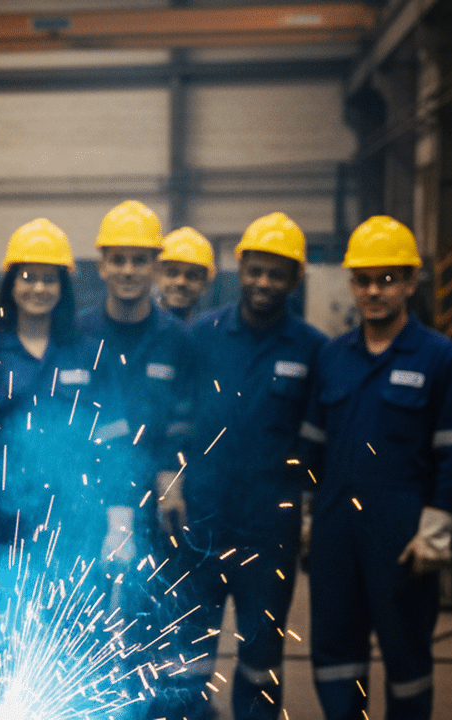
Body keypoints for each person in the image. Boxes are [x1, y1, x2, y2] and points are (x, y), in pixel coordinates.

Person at [300, 216, 452, 720]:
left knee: (407, 659)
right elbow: (311, 447)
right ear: (351, 284)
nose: (374, 291)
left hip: (402, 536)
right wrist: (309, 514)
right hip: (335, 532)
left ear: (410, 282)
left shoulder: (441, 359)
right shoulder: (332, 357)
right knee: (335, 656)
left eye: (387, 279)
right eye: (363, 280)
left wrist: (438, 527)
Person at [171, 211, 327, 720]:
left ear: (294, 279)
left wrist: (309, 507)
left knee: (261, 657)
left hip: (270, 532)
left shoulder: (312, 349)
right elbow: (178, 417)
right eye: (255, 270)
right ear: (240, 270)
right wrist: (171, 480)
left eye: (276, 274)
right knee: (189, 656)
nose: (263, 282)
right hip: (202, 523)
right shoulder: (202, 335)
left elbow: (317, 437)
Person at [0, 219, 102, 577]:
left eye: (49, 279)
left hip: (73, 521)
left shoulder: (88, 354)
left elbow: (107, 443)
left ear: (63, 287)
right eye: (28, 278)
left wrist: (114, 519)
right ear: (11, 285)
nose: (39, 288)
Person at [76, 200, 195, 619]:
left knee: (151, 627)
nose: (128, 270)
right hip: (87, 499)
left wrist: (173, 483)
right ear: (102, 266)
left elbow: (183, 422)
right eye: (118, 259)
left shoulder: (177, 340)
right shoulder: (78, 334)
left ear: (155, 267)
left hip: (157, 503)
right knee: (81, 625)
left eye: (139, 260)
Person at [155, 226, 216, 322]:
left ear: (205, 284)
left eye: (192, 276)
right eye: (172, 273)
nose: (181, 282)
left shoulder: (213, 328)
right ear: (156, 276)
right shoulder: (137, 325)